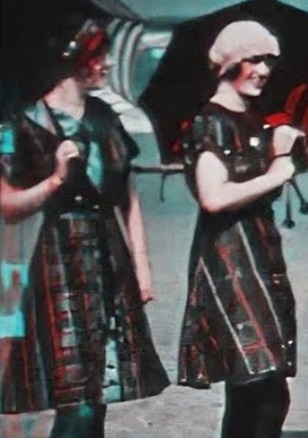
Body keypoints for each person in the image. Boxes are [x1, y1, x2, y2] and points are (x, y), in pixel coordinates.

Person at [0, 17, 169, 437]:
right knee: (73, 395)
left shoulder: (105, 117)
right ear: (73, 58)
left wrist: (142, 269)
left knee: (98, 391)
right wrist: (54, 180)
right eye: (101, 56)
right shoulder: (24, 123)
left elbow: (128, 198)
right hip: (57, 261)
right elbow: (7, 206)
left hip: (107, 261)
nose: (109, 65)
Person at [175, 20, 308, 438]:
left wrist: (282, 147)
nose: (263, 70)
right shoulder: (209, 123)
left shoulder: (253, 121)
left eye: (268, 60)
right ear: (229, 62)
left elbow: (266, 174)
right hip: (229, 262)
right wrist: (278, 172)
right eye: (253, 59)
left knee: (254, 388)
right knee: (264, 389)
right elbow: (213, 197)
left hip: (260, 257)